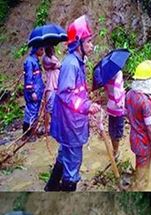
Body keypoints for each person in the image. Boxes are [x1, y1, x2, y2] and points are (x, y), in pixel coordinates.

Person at [46, 15, 102, 191]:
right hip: (71, 122)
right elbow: (65, 94)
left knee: (64, 154)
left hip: (71, 119)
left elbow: (75, 91)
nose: (92, 45)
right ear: (78, 44)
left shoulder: (77, 61)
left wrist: (86, 100)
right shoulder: (72, 64)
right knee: (73, 162)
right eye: (89, 42)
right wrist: (86, 106)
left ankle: (52, 187)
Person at [126, 60, 151, 190]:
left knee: (139, 164)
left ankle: (137, 182)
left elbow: (126, 112)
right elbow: (150, 128)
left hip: (134, 137)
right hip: (144, 141)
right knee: (143, 171)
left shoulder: (129, 94)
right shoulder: (145, 102)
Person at [23, 46, 45, 136]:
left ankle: (32, 132)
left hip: (37, 91)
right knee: (31, 112)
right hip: (33, 93)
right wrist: (32, 92)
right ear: (36, 49)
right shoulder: (30, 61)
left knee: (35, 112)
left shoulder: (35, 61)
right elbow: (29, 78)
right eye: (41, 49)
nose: (43, 51)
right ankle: (27, 134)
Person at [104, 69, 126, 159]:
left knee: (112, 128)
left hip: (110, 106)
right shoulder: (119, 73)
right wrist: (120, 103)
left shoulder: (107, 73)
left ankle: (114, 149)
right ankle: (116, 152)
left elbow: (106, 90)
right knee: (118, 131)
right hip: (117, 108)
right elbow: (117, 90)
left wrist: (109, 100)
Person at [42, 46, 61, 135]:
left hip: (57, 86)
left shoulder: (53, 57)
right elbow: (54, 64)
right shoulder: (46, 59)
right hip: (50, 87)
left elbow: (59, 65)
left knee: (56, 109)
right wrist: (57, 64)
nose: (52, 50)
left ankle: (54, 128)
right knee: (49, 109)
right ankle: (46, 128)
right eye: (51, 48)